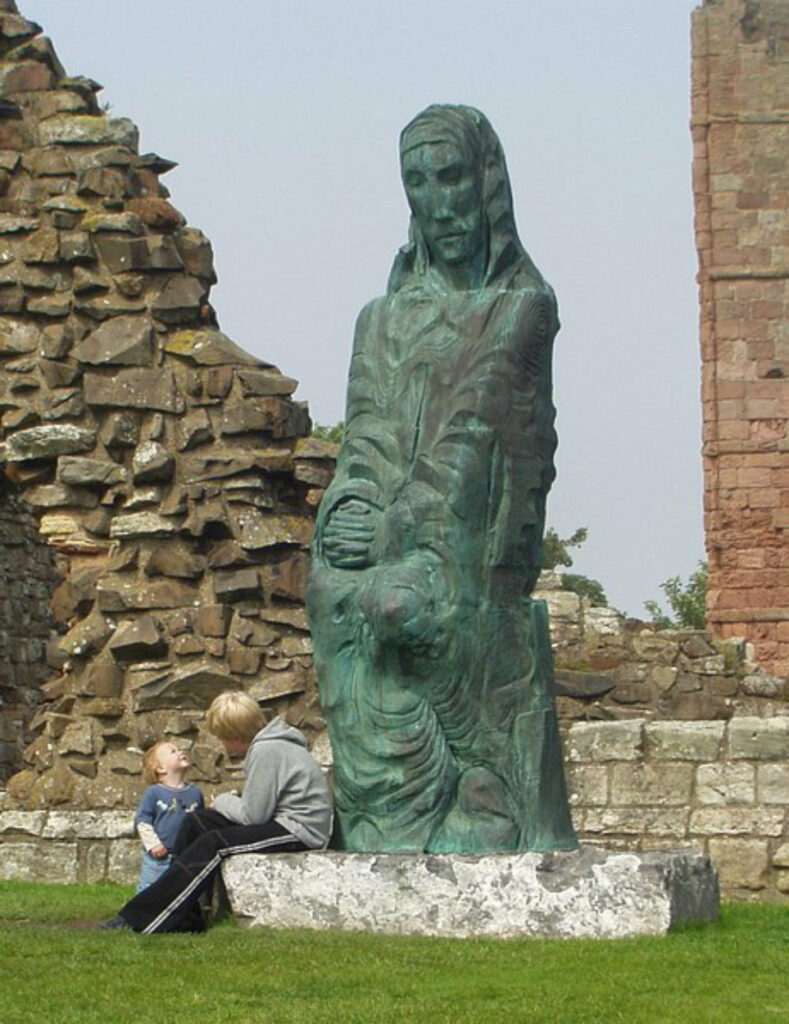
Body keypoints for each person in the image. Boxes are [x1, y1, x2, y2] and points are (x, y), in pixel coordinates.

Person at [307, 104, 577, 855]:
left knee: (398, 604)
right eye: (417, 181)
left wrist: (397, 527)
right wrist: (350, 507)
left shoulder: (521, 307)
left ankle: (484, 787)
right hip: (395, 524)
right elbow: (363, 433)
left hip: (470, 536)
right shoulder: (379, 318)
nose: (436, 198)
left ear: (484, 182)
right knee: (332, 589)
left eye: (450, 175)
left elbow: (477, 430)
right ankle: (388, 804)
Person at [100, 691, 331, 933]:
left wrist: (222, 800)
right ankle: (186, 917)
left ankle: (143, 918)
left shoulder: (267, 750)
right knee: (196, 822)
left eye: (223, 738)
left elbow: (254, 817)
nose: (223, 744)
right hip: (282, 821)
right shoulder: (270, 743)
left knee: (214, 843)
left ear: (235, 735)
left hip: (299, 831)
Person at [134, 740, 204, 892]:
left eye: (179, 749)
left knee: (182, 890)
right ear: (160, 768)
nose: (180, 752)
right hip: (159, 858)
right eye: (173, 751)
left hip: (185, 856)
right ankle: (144, 914)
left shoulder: (195, 794)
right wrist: (154, 844)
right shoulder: (154, 793)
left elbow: (201, 823)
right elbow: (143, 821)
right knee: (151, 891)